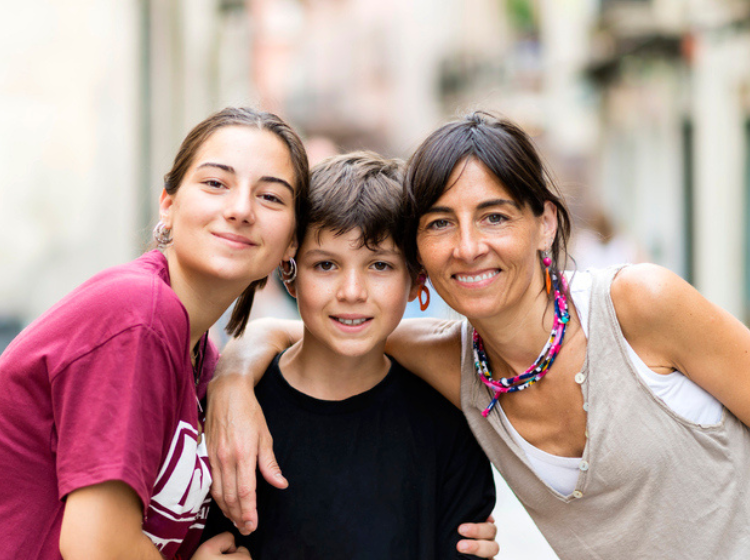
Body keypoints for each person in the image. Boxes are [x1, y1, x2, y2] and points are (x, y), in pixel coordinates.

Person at [206, 111, 750, 559]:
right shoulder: (453, 365)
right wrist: (232, 378)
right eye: (441, 222)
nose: (468, 247)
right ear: (420, 254)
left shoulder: (637, 304)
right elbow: (314, 334)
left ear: (545, 223)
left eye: (493, 217)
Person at [0, 106, 308, 560]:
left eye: (271, 198)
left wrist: (234, 375)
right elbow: (95, 545)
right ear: (168, 202)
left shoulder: (200, 353)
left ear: (292, 243)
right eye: (215, 183)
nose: (241, 209)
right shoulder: (138, 316)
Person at [201, 151, 496, 559]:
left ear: (416, 282)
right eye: (325, 265)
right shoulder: (236, 416)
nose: (352, 292)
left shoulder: (446, 425)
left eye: (379, 265)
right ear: (289, 272)